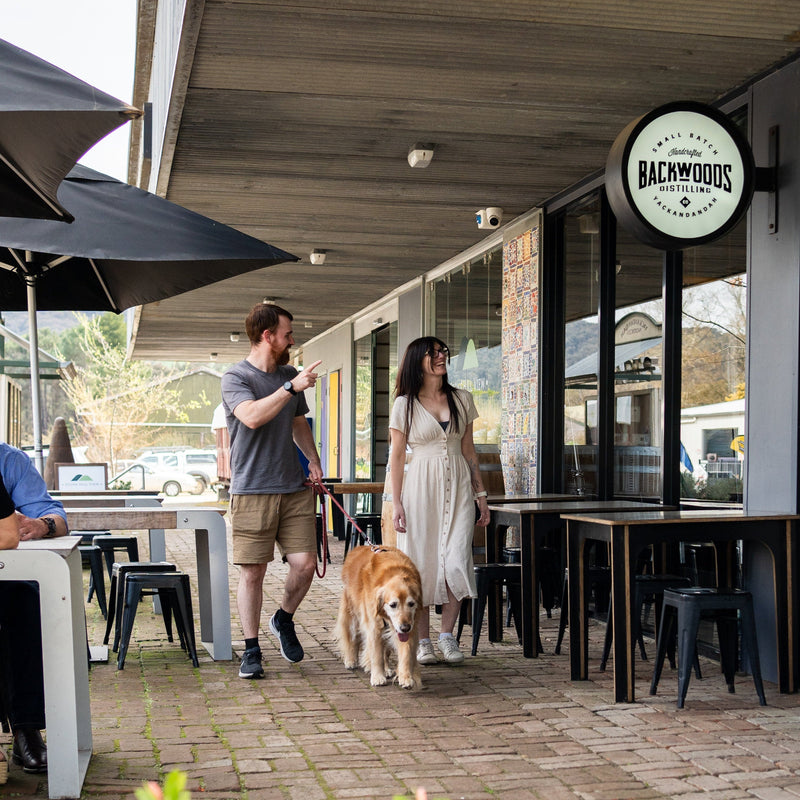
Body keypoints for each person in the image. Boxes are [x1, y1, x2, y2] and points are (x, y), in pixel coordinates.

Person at [221, 302, 324, 679]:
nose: (291, 340)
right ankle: (251, 650)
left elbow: (298, 422)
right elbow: (250, 416)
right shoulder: (236, 377)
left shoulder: (290, 374)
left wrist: (312, 459)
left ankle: (283, 618)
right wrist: (288, 387)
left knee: (306, 565)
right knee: (253, 574)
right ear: (268, 337)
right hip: (252, 491)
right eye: (287, 334)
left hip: (295, 488)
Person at [389, 337, 490, 665]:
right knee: (420, 563)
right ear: (417, 361)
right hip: (420, 488)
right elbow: (396, 457)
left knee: (457, 560)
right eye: (433, 353)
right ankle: (423, 642)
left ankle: (447, 636)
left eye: (443, 351)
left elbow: (469, 451)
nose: (441, 356)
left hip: (459, 487)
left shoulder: (462, 399)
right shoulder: (404, 405)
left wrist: (481, 496)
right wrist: (397, 502)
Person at [0, 442, 69, 776]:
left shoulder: (9, 460)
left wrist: (43, 525)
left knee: (26, 599)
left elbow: (54, 516)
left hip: (6, 577)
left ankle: (26, 727)